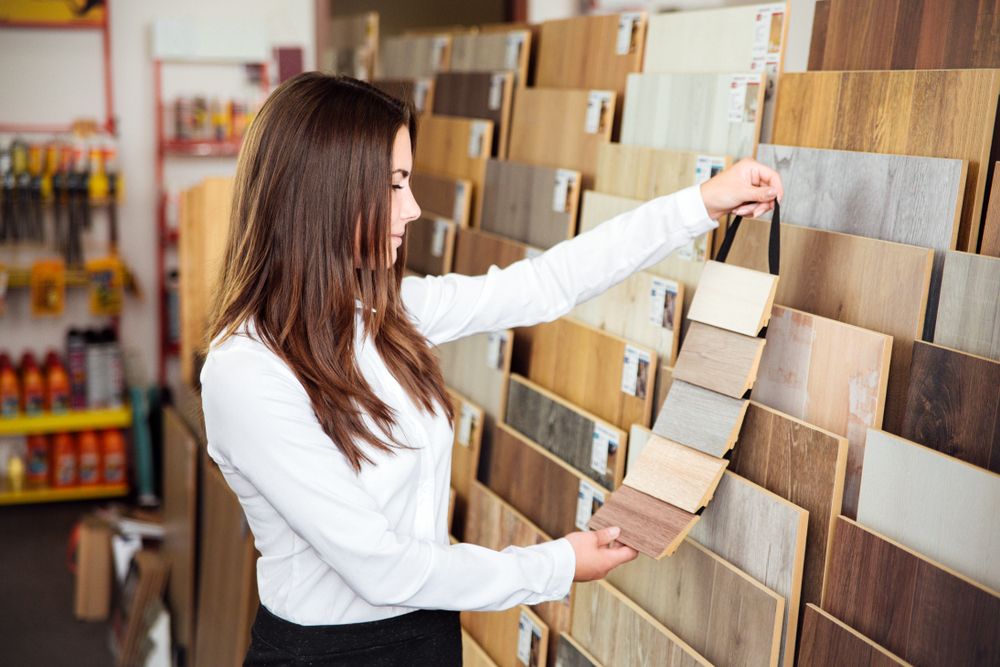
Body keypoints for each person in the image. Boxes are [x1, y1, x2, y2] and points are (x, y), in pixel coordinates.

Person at [200, 72, 782, 666]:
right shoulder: (247, 373)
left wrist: (702, 203)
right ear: (324, 192)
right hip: (329, 655)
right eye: (393, 184)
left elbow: (545, 283)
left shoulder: (382, 315)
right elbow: (382, 567)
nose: (414, 207)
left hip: (428, 636)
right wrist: (555, 565)